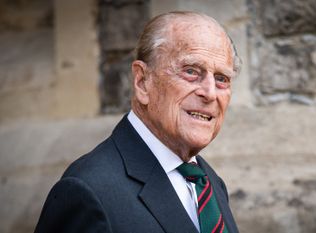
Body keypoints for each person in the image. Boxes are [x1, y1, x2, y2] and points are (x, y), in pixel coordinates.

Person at [34, 11, 240, 233]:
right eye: (191, 71)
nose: (210, 93)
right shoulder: (87, 191)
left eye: (221, 79)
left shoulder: (209, 183)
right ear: (142, 82)